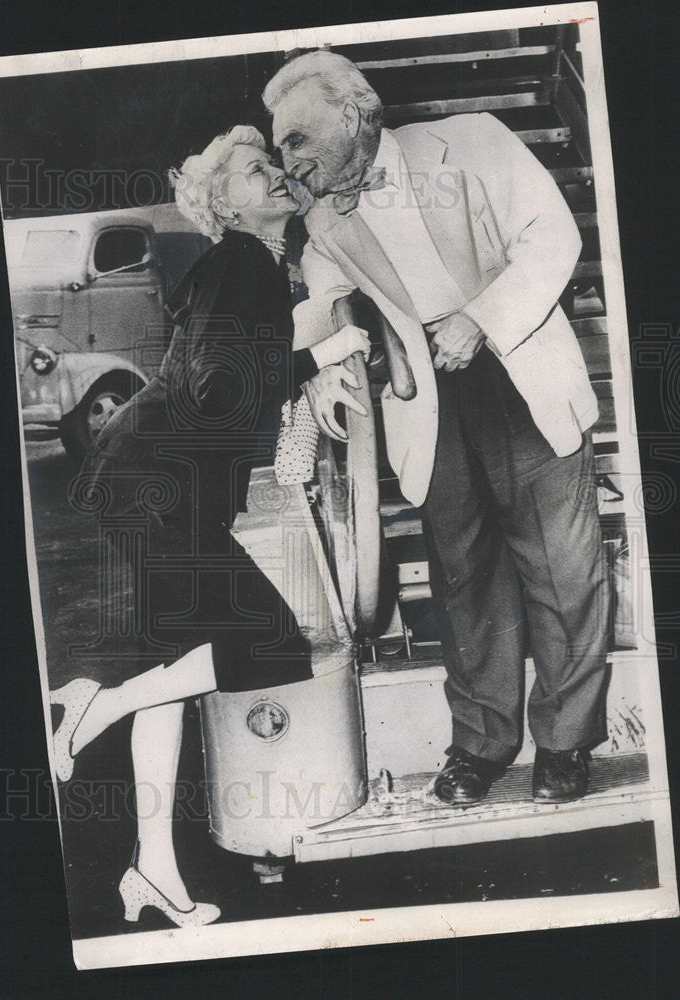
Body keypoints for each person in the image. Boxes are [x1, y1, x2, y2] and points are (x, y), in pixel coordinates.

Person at [263, 50, 609, 807]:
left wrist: (479, 321)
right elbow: (321, 303)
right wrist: (323, 359)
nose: (286, 159)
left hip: (516, 366)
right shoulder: (323, 214)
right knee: (462, 577)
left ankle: (565, 743)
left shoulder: (475, 141)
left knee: (563, 570)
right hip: (426, 401)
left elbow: (553, 238)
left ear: (352, 117)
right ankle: (481, 744)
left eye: (295, 139)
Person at [52, 125, 371, 927]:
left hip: (147, 478)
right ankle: (97, 707)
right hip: (159, 483)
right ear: (219, 204)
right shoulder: (240, 264)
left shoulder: (246, 267)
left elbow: (222, 378)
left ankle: (151, 867)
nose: (270, 176)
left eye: (271, 165)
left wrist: (303, 356)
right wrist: (326, 349)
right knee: (267, 643)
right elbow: (220, 393)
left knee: (173, 669)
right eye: (249, 171)